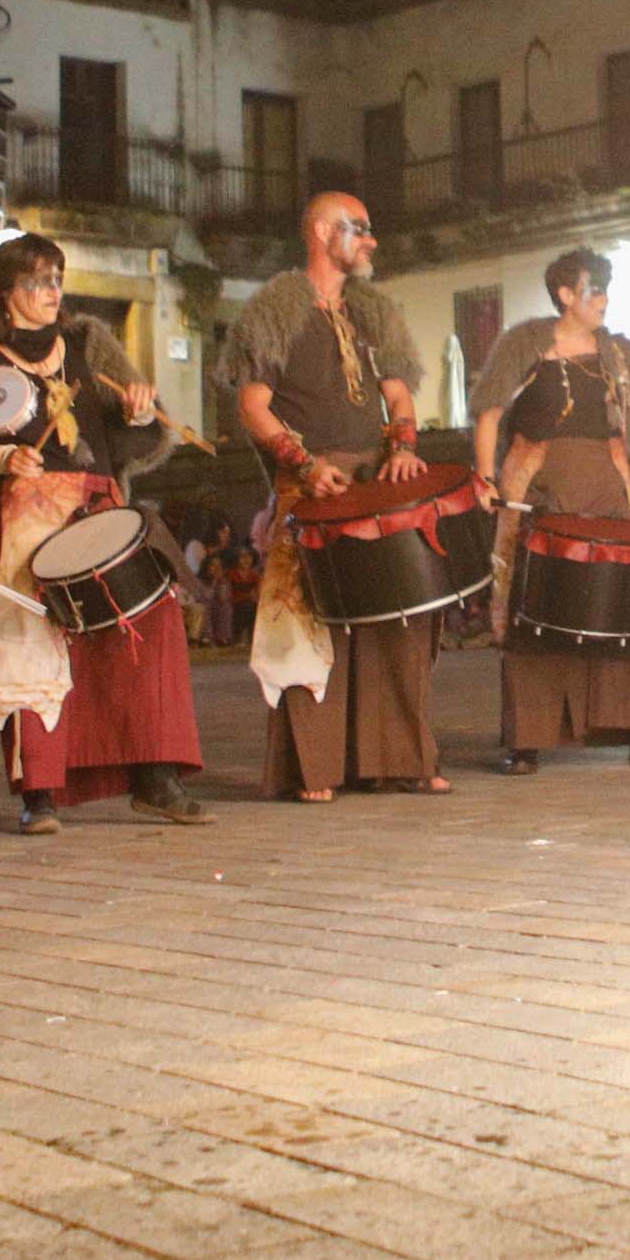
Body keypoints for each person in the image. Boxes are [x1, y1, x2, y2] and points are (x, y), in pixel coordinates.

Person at [0, 232, 208, 831]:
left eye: (56, 280)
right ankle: (39, 793)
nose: (52, 292)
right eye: (38, 281)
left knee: (150, 626)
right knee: (32, 645)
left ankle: (154, 775)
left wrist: (141, 413)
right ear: (5, 293)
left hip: (99, 507)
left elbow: (139, 442)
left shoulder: (88, 345)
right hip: (24, 517)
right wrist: (0, 460)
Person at [217, 190, 451, 802]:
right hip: (311, 490)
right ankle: (314, 769)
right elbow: (254, 408)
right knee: (308, 633)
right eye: (361, 229)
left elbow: (399, 397)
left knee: (397, 624)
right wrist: (304, 463)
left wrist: (402, 446)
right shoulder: (275, 312)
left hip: (375, 487)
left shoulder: (373, 312)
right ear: (323, 232)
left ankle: (401, 757)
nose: (372, 241)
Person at [473, 246, 630, 773]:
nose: (604, 301)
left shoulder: (620, 355)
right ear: (566, 294)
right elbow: (489, 413)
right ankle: (526, 738)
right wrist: (483, 477)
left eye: (607, 290)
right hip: (538, 489)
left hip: (609, 489)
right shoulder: (525, 344)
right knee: (536, 602)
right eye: (595, 290)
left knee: (629, 603)